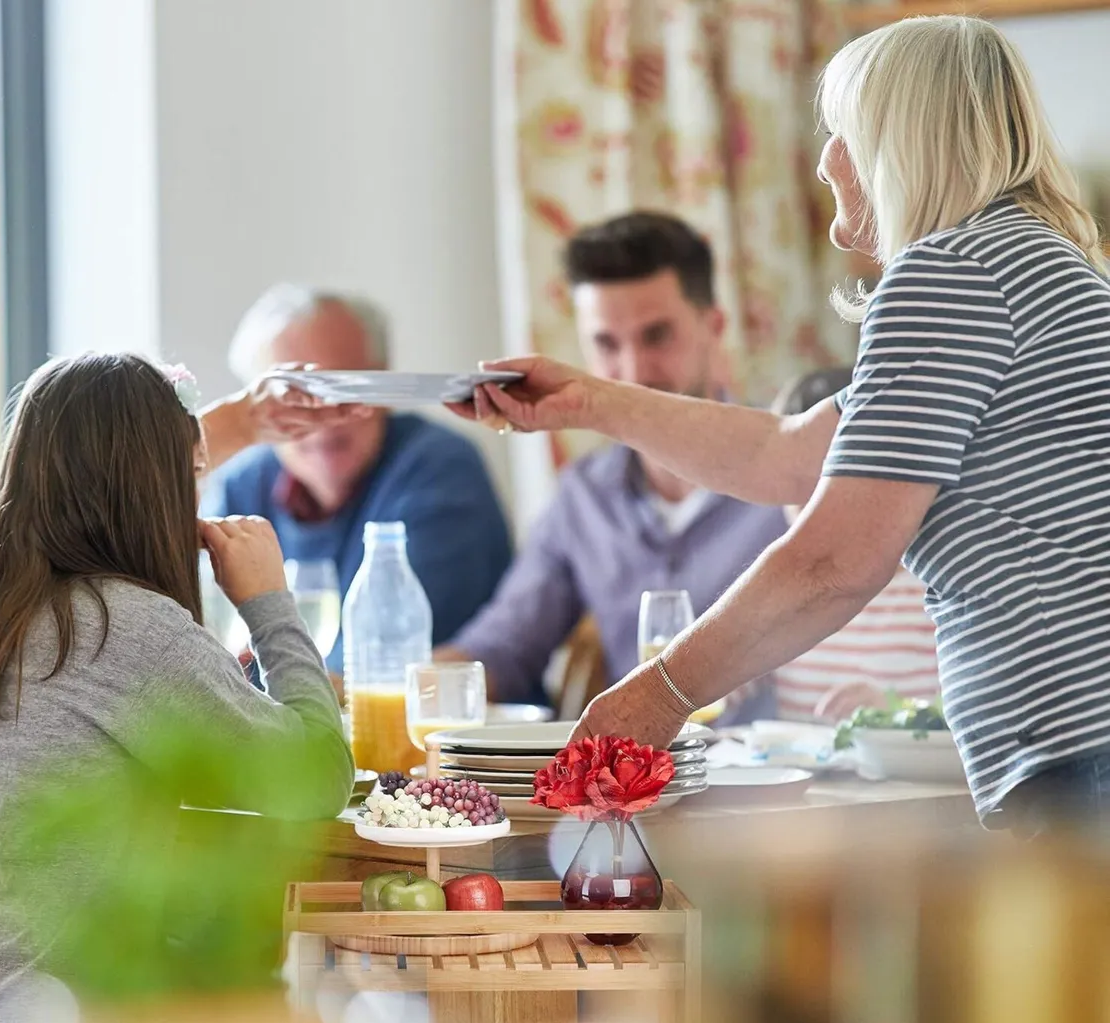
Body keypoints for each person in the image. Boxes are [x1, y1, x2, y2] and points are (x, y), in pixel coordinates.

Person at [461, 17, 1110, 835]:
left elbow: (836, 558)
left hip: (1080, 751)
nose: (823, 162)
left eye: (840, 133)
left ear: (893, 143)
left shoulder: (951, 274)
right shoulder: (1021, 265)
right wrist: (592, 402)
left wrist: (659, 691)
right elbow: (788, 456)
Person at [0, 353, 353, 1023]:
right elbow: (315, 779)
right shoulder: (123, 624)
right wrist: (270, 604)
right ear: (153, 487)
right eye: (191, 478)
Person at [439, 214, 787, 713]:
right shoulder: (584, 495)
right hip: (640, 784)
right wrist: (368, 692)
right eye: (606, 343)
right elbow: (505, 645)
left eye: (657, 336)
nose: (634, 372)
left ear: (713, 326)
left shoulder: (794, 473)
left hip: (792, 780)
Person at [203, 286, 512, 670]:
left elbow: (383, 655)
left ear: (385, 384)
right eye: (296, 396)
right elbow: (200, 639)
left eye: (347, 388)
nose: (325, 416)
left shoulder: (440, 469)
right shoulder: (240, 485)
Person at [0, 362, 336, 594]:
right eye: (190, 473)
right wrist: (269, 608)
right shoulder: (138, 635)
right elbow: (307, 751)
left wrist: (239, 424)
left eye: (193, 473)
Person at [768, 366, 940, 723]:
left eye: (821, 481)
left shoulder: (931, 590)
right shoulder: (779, 595)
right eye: (792, 484)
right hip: (799, 779)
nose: (806, 507)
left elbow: (974, 723)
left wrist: (895, 714)